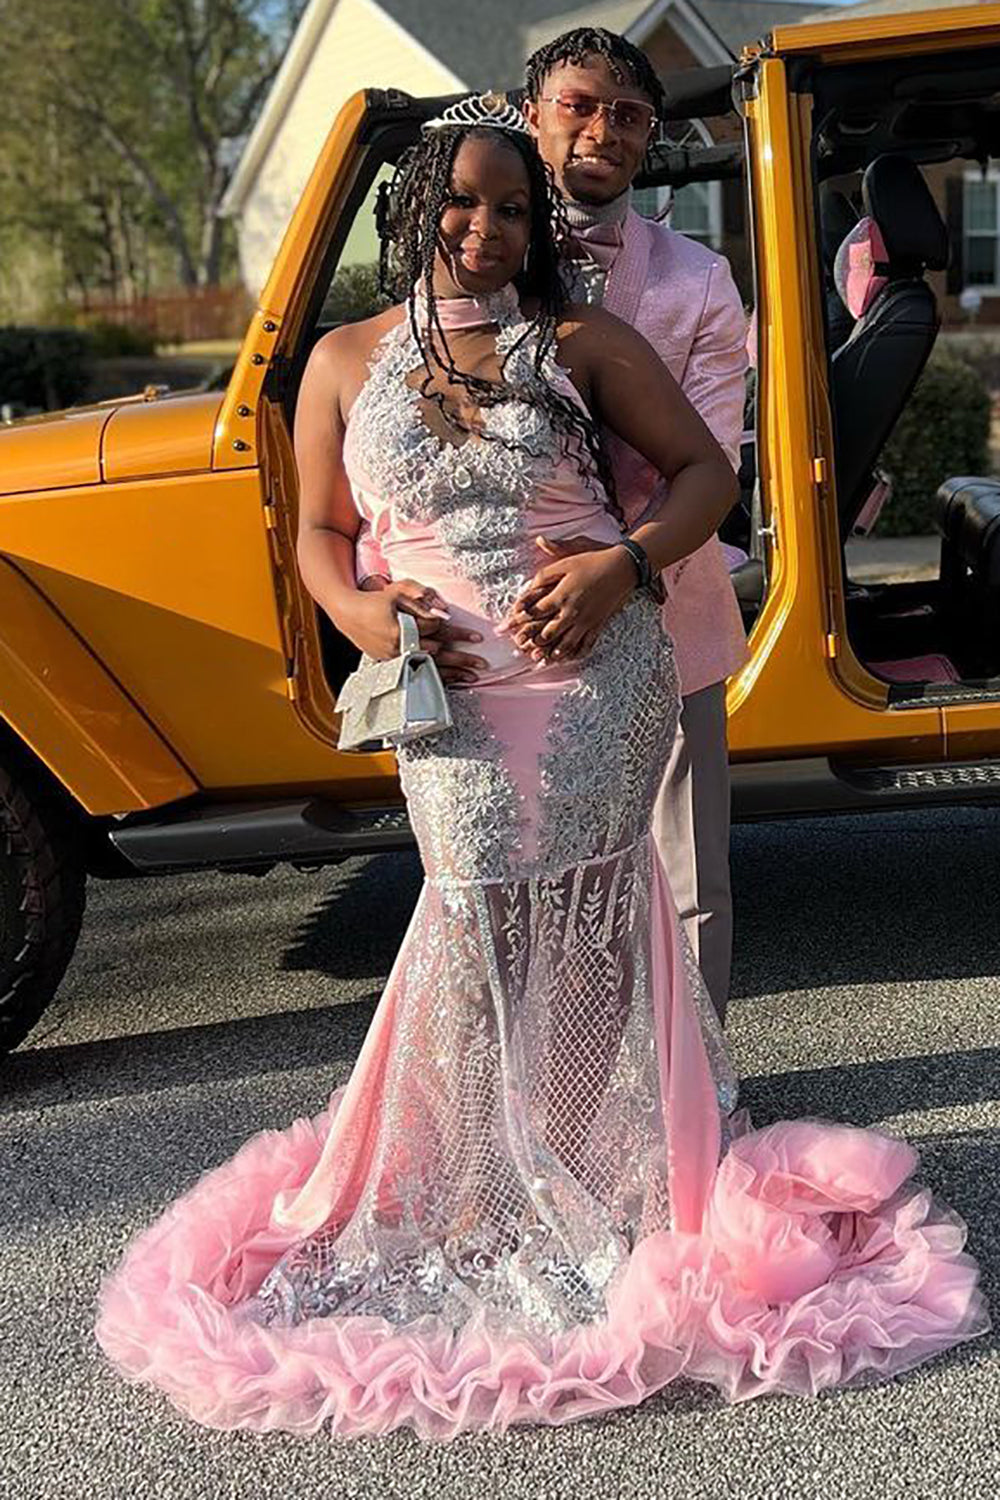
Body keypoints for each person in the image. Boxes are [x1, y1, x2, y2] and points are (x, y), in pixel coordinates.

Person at [95, 100, 985, 1443]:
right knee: (471, 916)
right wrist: (359, 613)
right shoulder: (339, 361)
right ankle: (477, 1182)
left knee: (593, 918)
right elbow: (323, 534)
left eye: (512, 208)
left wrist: (621, 567)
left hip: (589, 677)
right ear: (413, 210)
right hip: (446, 693)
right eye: (460, 201)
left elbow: (703, 478)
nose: (485, 227)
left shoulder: (580, 343)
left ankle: (610, 1177)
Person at [357, 27, 748, 1023]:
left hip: (663, 605)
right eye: (579, 104)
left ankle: (691, 1094)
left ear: (650, 136)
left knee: (682, 876)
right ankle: (534, 1090)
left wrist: (620, 568)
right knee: (499, 887)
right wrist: (376, 587)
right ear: (530, 112)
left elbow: (712, 456)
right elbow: (394, 461)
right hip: (483, 641)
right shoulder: (451, 261)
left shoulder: (697, 280)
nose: (603, 128)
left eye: (630, 115)